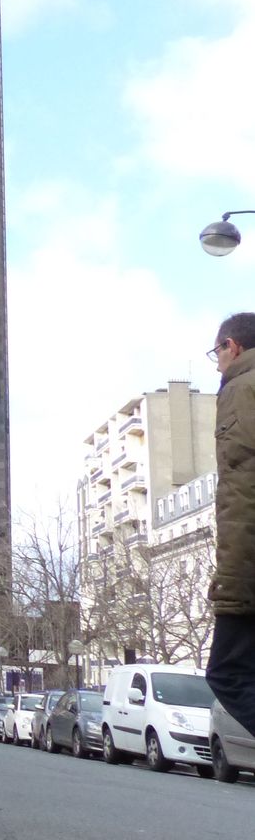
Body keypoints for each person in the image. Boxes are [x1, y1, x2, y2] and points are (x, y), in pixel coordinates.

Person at [207, 313, 255, 738]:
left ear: (232, 346)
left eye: (216, 351)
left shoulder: (241, 388)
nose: (217, 361)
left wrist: (231, 580)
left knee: (227, 673)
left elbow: (241, 499)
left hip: (248, 566)